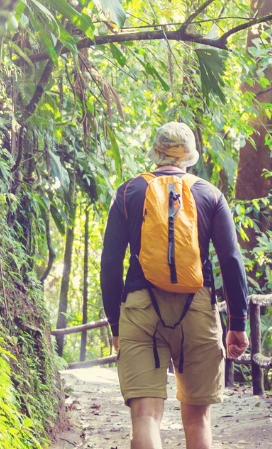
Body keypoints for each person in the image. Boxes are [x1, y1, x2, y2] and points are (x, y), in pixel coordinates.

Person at [101, 122, 251, 449]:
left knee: (145, 416)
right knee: (198, 420)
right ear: (190, 157)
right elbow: (231, 259)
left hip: (141, 310)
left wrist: (115, 323)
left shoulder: (127, 192)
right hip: (197, 308)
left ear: (156, 153)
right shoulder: (211, 195)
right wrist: (237, 324)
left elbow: (110, 264)